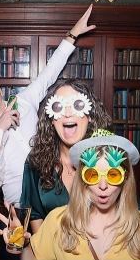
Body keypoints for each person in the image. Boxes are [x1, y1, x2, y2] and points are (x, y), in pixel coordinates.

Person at [0, 129, 140, 260]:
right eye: (93, 175)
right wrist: (18, 245)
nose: (103, 185)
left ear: (125, 179)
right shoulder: (59, 221)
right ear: (83, 179)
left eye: (113, 175)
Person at [0, 5, 95, 204]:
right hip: (19, 202)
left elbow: (49, 72)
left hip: (55, 189)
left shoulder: (23, 101)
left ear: (0, 89)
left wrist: (73, 34)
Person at [18, 80, 112, 232]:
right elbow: (35, 215)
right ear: (51, 120)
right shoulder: (36, 161)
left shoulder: (110, 158)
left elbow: (131, 211)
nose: (68, 113)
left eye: (78, 105)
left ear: (90, 116)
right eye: (58, 107)